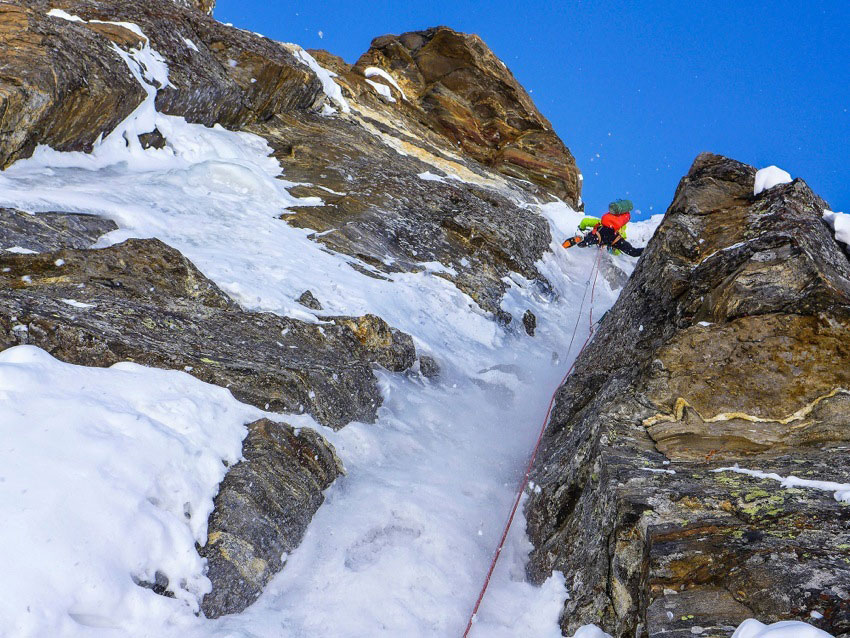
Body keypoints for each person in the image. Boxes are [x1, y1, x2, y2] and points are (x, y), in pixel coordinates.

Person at [562, 199, 644, 257]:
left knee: (583, 243)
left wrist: (582, 228)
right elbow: (617, 253)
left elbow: (585, 221)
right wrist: (611, 249)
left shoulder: (602, 221)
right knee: (633, 252)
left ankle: (581, 239)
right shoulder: (621, 228)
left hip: (600, 233)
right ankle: (647, 249)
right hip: (614, 239)